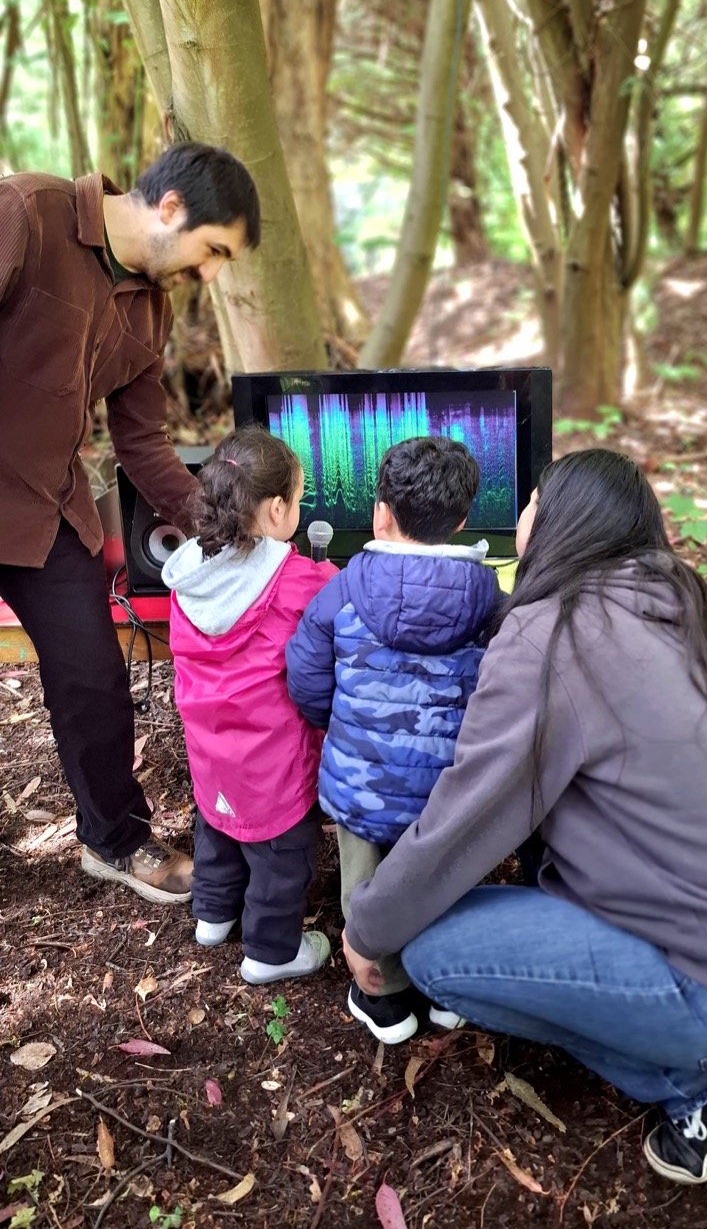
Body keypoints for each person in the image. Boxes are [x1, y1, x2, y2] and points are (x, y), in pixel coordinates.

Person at [341, 448, 707, 1185]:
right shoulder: (676, 603)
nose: (521, 514)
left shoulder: (551, 634)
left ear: (557, 522)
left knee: (432, 950)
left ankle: (693, 1082)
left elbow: (464, 820)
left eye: (531, 500)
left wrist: (370, 926)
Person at [0, 143, 261, 905]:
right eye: (213, 250)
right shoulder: (27, 214)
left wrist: (224, 527)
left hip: (45, 507)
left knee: (93, 678)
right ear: (171, 208)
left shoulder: (153, 306)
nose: (210, 273)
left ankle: (114, 839)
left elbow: (141, 441)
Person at [286, 435, 500, 1043]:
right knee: (450, 879)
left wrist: (346, 729)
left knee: (367, 888)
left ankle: (382, 998)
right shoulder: (489, 599)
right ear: (461, 522)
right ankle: (445, 990)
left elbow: (304, 676)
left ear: (380, 511)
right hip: (450, 795)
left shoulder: (343, 589)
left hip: (363, 787)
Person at [161, 428, 336, 983]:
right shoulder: (299, 581)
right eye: (300, 500)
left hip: (210, 754)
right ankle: (270, 951)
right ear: (278, 507)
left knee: (217, 825)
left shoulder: (186, 578)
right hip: (273, 764)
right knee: (281, 858)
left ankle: (211, 915)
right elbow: (336, 603)